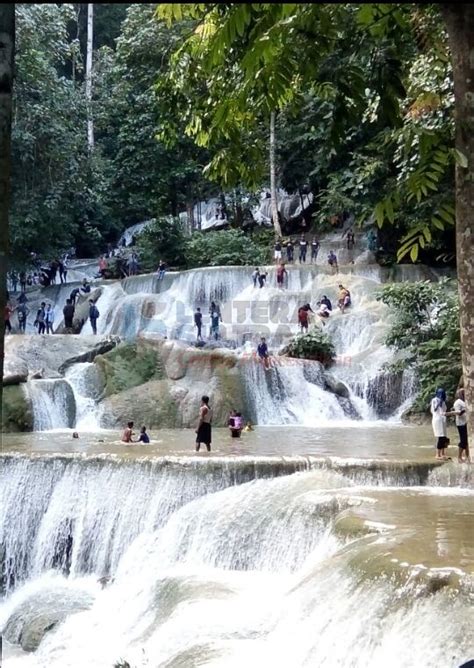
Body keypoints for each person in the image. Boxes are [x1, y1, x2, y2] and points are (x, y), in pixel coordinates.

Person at [447, 388, 470, 463]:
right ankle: (459, 457)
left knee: (467, 440)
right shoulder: (458, 403)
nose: (464, 394)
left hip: (467, 423)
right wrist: (465, 410)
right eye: (462, 393)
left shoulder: (466, 401)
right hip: (461, 423)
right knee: (463, 440)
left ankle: (467, 456)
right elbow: (458, 413)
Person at [430, 388, 449, 459]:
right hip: (437, 420)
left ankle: (443, 453)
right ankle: (437, 454)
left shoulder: (443, 401)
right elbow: (434, 410)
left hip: (443, 420)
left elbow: (444, 411)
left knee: (444, 437)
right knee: (440, 437)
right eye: (441, 393)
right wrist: (439, 403)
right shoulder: (434, 400)